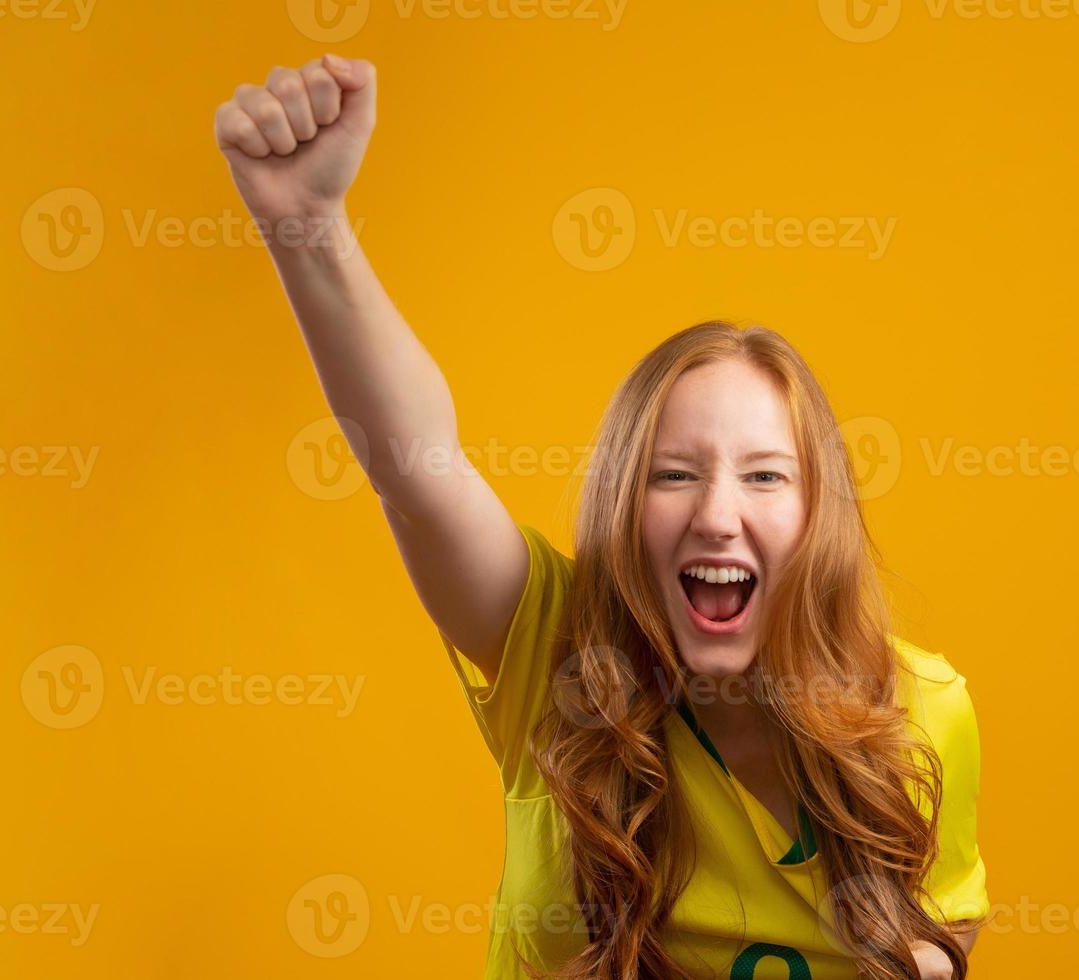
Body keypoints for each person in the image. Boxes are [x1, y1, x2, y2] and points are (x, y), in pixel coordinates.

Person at [214, 55, 989, 980]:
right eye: (672, 474)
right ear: (625, 505)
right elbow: (416, 470)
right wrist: (307, 227)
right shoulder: (553, 649)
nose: (715, 514)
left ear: (818, 517)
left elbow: (941, 937)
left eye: (765, 477)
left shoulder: (919, 711)